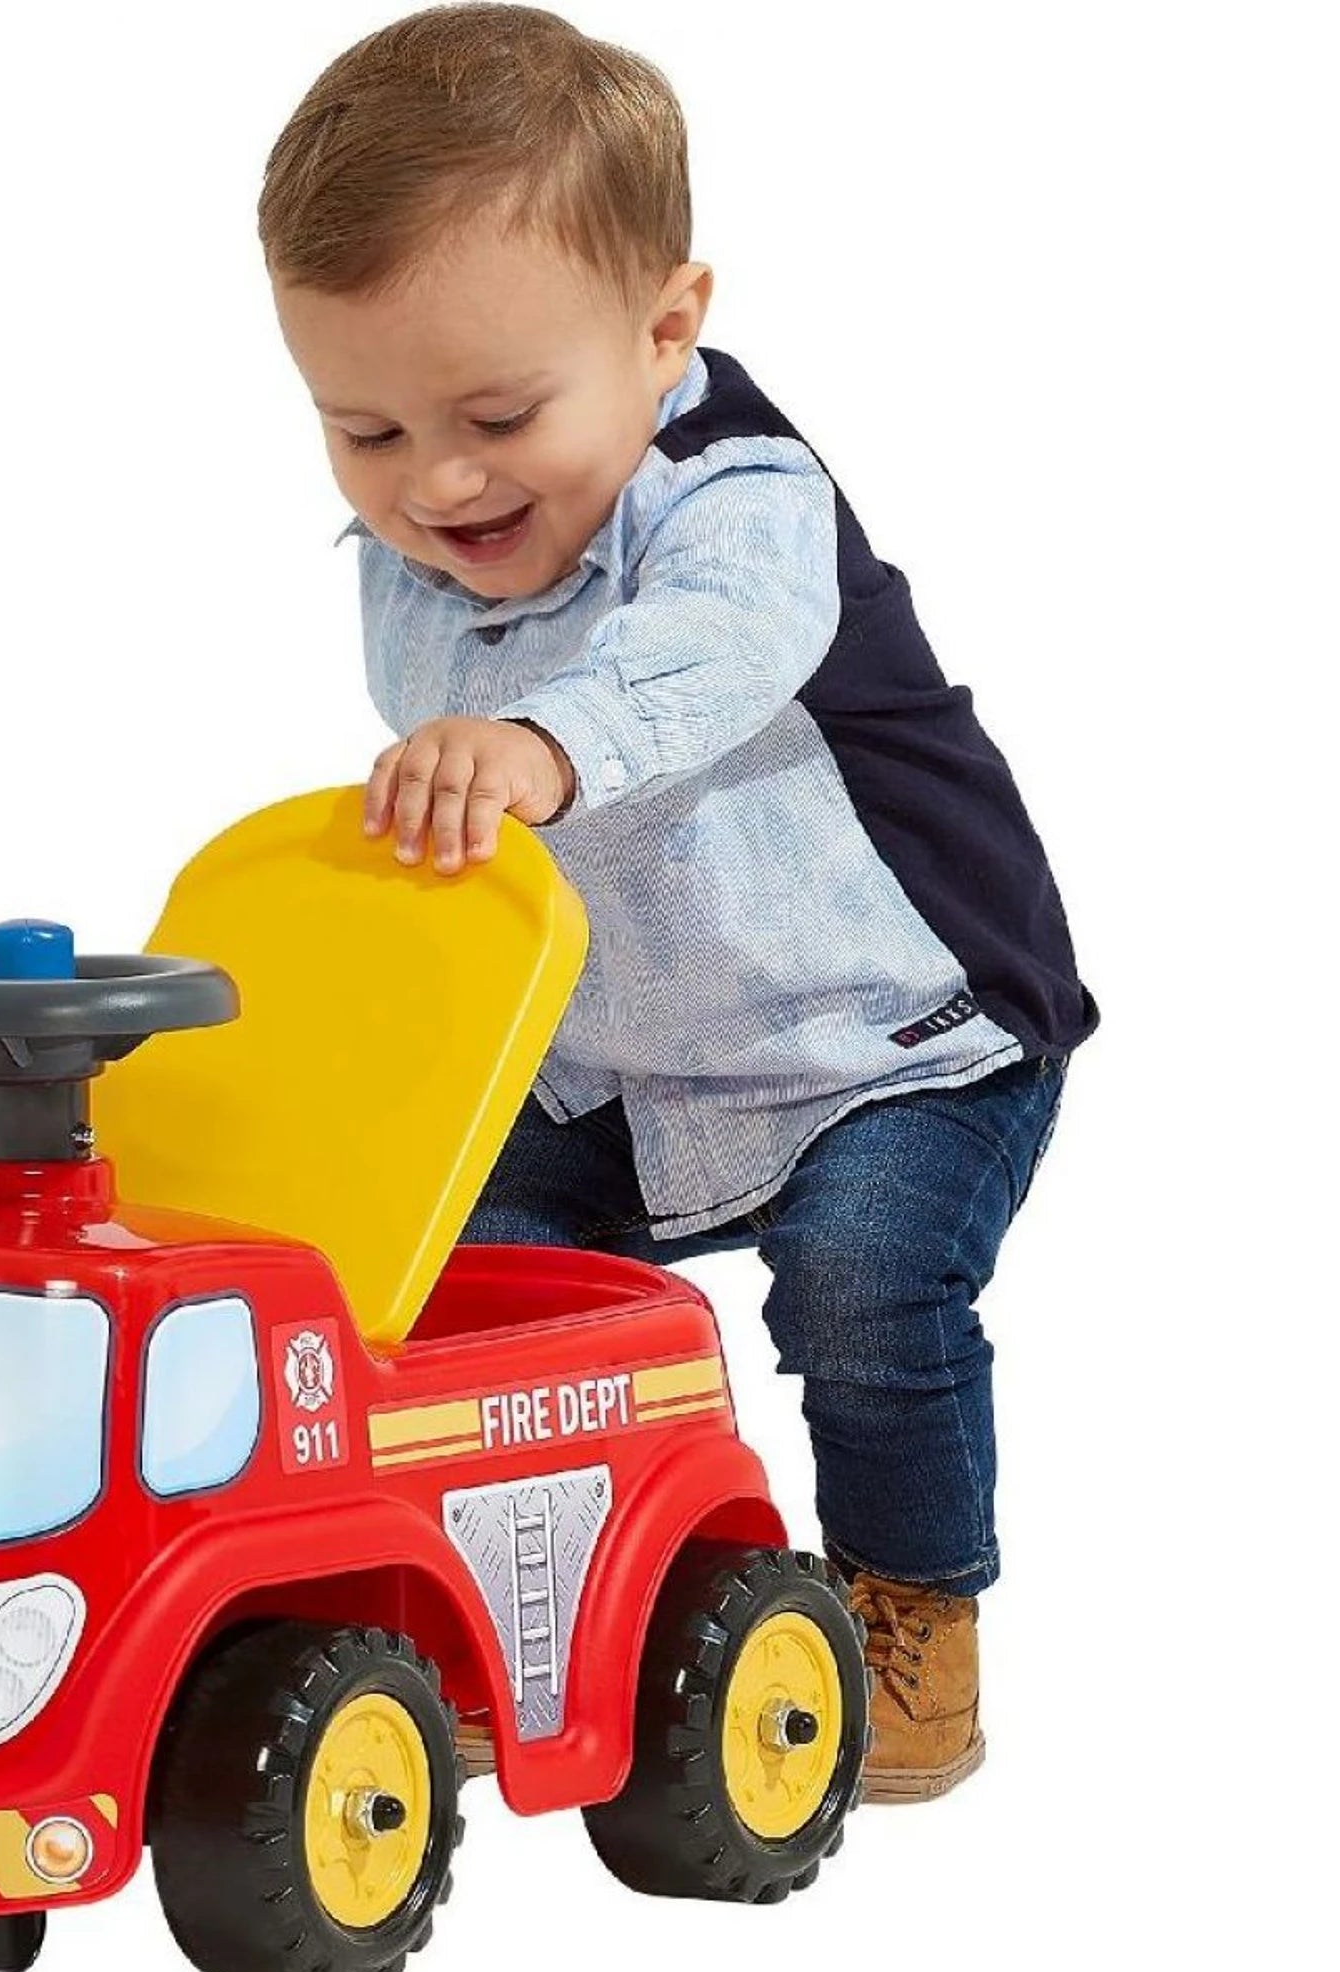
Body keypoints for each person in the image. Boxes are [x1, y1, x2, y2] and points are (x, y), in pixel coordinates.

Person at [260, 3, 1095, 1802]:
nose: (438, 484)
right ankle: (520, 1600)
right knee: (445, 1278)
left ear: (665, 331)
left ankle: (908, 1605)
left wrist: (536, 747)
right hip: (620, 1069)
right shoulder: (414, 557)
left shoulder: (743, 499)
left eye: (500, 416)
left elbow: (710, 653)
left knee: (865, 1285)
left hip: (891, 1038)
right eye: (366, 430)